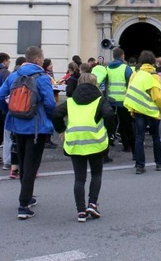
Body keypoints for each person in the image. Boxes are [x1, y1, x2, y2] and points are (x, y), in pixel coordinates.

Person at [0, 46, 56, 220]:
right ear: (37, 60)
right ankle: (23, 204)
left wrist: (10, 111)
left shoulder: (14, 75)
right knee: (31, 165)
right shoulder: (42, 78)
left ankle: (27, 196)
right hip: (37, 127)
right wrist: (52, 120)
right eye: (42, 58)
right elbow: (50, 103)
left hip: (16, 125)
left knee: (22, 162)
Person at [52, 73, 115, 223]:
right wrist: (109, 132)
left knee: (79, 179)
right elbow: (109, 114)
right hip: (95, 141)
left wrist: (61, 130)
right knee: (96, 174)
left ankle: (80, 211)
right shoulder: (100, 100)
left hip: (75, 142)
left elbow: (55, 113)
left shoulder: (71, 101)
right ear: (95, 84)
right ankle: (92, 204)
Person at [124, 50, 161, 174]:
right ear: (153, 62)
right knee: (156, 137)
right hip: (151, 111)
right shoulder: (154, 75)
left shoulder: (135, 75)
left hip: (138, 110)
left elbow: (130, 90)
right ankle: (159, 163)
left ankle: (140, 166)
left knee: (139, 138)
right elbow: (157, 97)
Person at [105, 48, 134, 154]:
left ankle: (106, 149)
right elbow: (131, 84)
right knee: (126, 125)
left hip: (110, 101)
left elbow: (105, 84)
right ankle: (129, 146)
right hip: (123, 101)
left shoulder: (107, 68)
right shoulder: (126, 68)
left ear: (113, 56)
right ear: (123, 56)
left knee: (110, 125)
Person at [5, 56, 27, 178]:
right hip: (29, 115)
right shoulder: (36, 77)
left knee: (15, 142)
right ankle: (27, 170)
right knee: (28, 143)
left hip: (13, 113)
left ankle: (14, 169)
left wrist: (7, 109)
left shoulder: (11, 76)